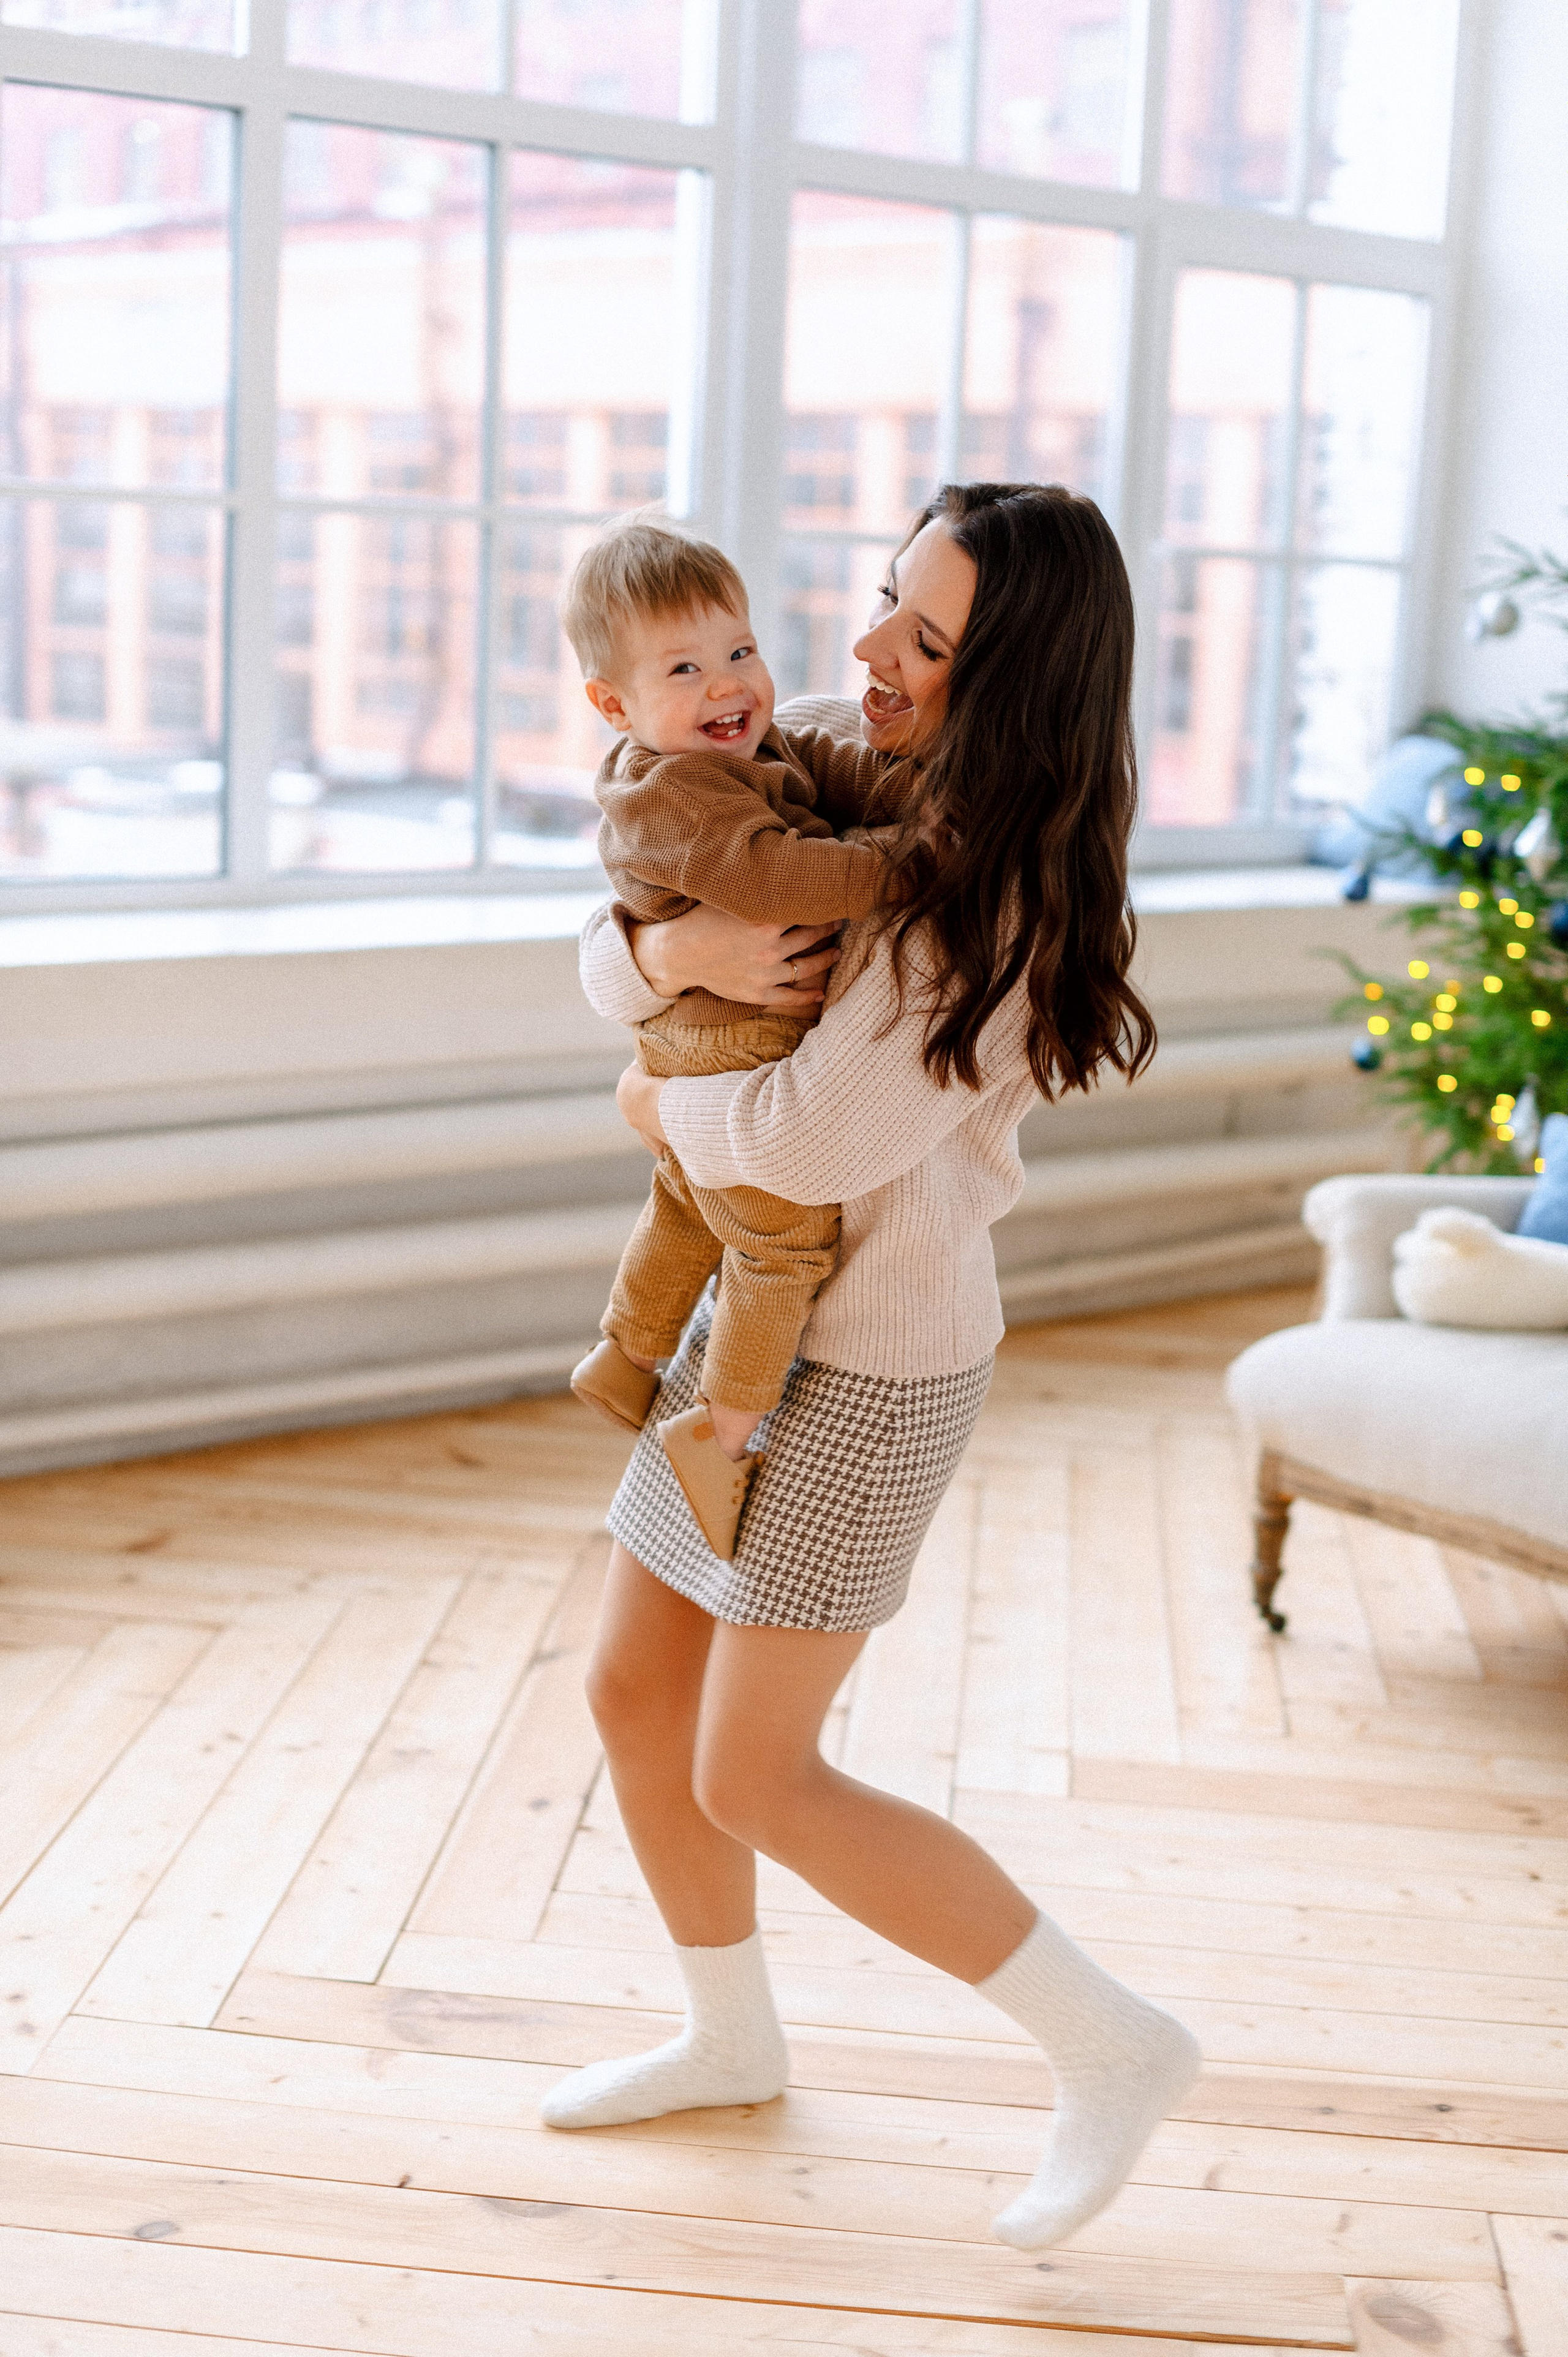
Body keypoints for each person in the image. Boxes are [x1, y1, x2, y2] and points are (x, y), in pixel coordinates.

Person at [545, 482, 1202, 2255]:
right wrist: (658, 952)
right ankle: (728, 2038)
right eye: (883, 604)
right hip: (738, 1325)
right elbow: (603, 892)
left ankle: (1116, 2047)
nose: (860, 655)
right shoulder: (823, 747)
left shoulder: (981, 899)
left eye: (924, 635)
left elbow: (809, 1139)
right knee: (628, 1694)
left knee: (755, 1770)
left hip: (875, 1366)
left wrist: (647, 1082)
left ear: (1014, 681)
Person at [560, 516, 894, 1558]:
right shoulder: (672, 790)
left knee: (685, 1206)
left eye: (740, 652)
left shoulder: (755, 746)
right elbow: (783, 877)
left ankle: (625, 1354)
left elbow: (838, 771)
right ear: (615, 706)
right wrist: (912, 866)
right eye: (687, 668)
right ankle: (724, 1431)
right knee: (778, 1241)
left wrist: (920, 810)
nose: (728, 687)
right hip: (724, 1045)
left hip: (699, 1040)